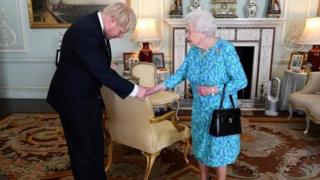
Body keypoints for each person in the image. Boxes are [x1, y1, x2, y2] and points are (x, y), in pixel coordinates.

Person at [46, 2, 147, 179]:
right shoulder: (85, 30)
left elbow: (93, 60)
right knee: (82, 150)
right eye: (122, 31)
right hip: (73, 98)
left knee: (96, 144)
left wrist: (103, 63)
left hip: (88, 96)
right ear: (113, 21)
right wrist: (135, 90)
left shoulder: (95, 26)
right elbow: (101, 72)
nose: (120, 36)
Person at [146, 10, 247, 180]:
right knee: (200, 144)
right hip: (200, 109)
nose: (186, 35)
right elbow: (180, 74)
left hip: (220, 109)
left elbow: (241, 80)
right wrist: (156, 88)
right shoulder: (194, 52)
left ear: (203, 32)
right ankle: (203, 176)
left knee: (218, 148)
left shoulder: (225, 49)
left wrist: (213, 89)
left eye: (189, 31)